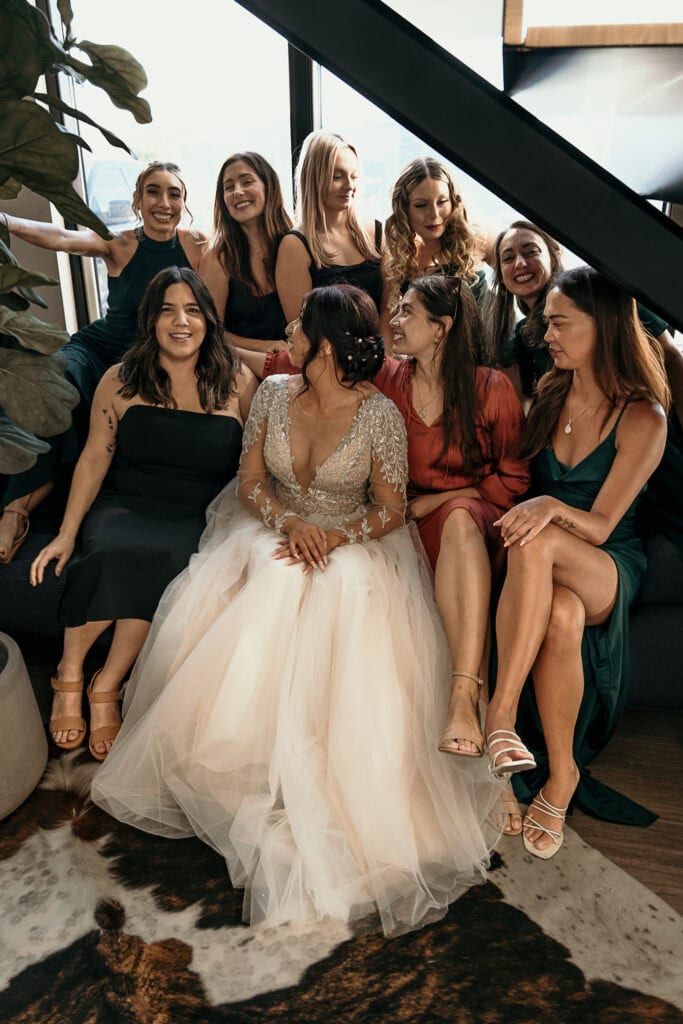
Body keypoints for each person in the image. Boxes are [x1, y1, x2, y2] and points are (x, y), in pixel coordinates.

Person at [92, 284, 502, 936]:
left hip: (352, 539)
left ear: (328, 339)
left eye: (300, 323)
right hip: (275, 529)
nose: (288, 328)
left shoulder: (378, 417)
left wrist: (336, 536)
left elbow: (391, 507)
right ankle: (235, 758)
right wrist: (288, 526)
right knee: (276, 581)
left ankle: (324, 772)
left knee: (340, 588)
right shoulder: (276, 394)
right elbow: (250, 482)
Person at [238, 277, 530, 834]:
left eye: (407, 311)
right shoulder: (385, 377)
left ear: (441, 329)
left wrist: (441, 500)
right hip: (392, 523)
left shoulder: (490, 388)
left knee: (462, 535)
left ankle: (479, 739)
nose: (393, 320)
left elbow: (514, 479)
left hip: (461, 517)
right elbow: (305, 361)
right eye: (393, 309)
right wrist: (206, 337)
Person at [30, 267, 255, 760]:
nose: (181, 322)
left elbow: (256, 465)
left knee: (171, 559)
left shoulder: (238, 379)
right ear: (150, 318)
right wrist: (67, 533)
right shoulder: (119, 378)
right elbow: (93, 458)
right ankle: (69, 673)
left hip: (197, 512)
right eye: (167, 310)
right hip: (127, 503)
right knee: (112, 548)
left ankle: (104, 683)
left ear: (208, 320)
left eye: (193, 310)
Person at [485, 267, 669, 856]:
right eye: (546, 322)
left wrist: (545, 504)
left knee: (536, 543)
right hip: (557, 576)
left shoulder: (643, 416)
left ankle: (500, 713)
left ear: (605, 326)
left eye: (561, 322)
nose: (547, 334)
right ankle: (562, 775)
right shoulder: (551, 392)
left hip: (608, 563)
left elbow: (599, 525)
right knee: (560, 615)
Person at [0, 162, 208, 563]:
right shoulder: (120, 243)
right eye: (153, 191)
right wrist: (5, 219)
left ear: (184, 202)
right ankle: (16, 509)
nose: (164, 202)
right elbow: (61, 237)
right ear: (137, 200)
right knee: (54, 379)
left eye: (174, 193)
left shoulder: (198, 246)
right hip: (98, 348)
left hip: (145, 359)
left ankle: (31, 499)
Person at [486, 220, 683, 559]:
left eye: (530, 251)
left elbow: (671, 359)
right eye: (507, 257)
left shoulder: (603, 295)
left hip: (647, 447)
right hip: (579, 473)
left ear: (552, 254)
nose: (519, 263)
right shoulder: (522, 340)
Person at [275, 131, 383, 322]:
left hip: (380, 349)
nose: (349, 185)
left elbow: (389, 312)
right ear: (313, 178)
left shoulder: (377, 232)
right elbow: (301, 329)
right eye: (337, 176)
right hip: (325, 351)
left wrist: (380, 351)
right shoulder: (295, 245)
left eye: (354, 176)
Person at [381, 156, 489, 342]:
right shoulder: (398, 257)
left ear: (453, 202)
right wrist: (391, 369)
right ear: (404, 209)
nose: (434, 214)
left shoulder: (477, 239)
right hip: (426, 365)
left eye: (442, 201)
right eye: (421, 205)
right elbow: (387, 321)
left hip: (480, 360)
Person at [197, 152, 293, 354]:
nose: (237, 192)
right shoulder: (218, 258)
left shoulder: (294, 244)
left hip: (295, 358)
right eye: (229, 187)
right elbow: (209, 330)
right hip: (242, 363)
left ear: (269, 186)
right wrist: (267, 347)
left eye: (247, 182)